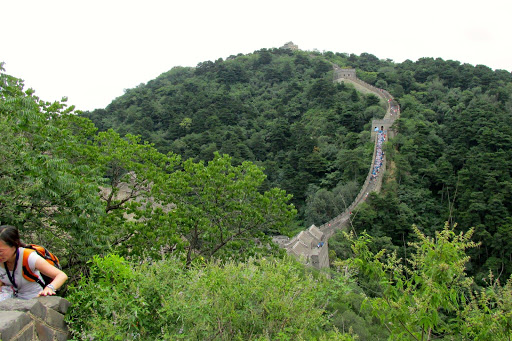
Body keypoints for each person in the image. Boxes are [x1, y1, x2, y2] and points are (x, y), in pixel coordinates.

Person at [0, 225, 68, 299]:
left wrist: (49, 288)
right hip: (11, 299)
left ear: (14, 246)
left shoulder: (28, 257)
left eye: (1, 251)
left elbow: (61, 275)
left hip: (33, 299)